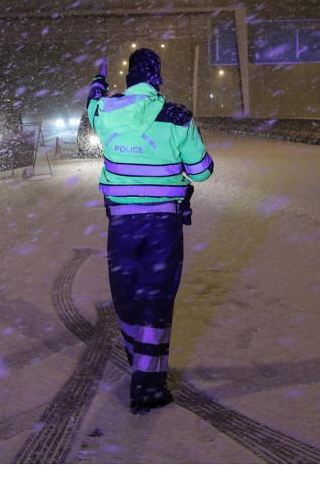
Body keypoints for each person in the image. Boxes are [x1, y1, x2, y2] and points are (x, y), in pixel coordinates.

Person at [86, 48, 214, 414]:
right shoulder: (178, 117)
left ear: (129, 79)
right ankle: (148, 387)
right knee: (156, 301)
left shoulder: (105, 113)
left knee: (127, 296)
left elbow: (92, 100)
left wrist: (98, 80)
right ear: (157, 78)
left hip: (122, 224)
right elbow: (202, 172)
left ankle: (137, 362)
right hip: (163, 225)